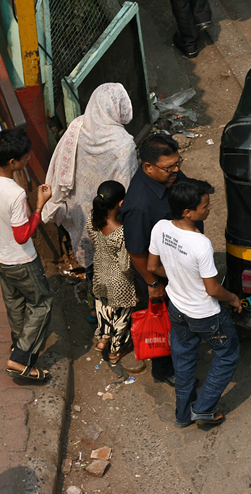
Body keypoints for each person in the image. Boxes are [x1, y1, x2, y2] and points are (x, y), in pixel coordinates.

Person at [147, 179, 241, 427]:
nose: (209, 209)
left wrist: (179, 277)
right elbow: (212, 289)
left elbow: (152, 266)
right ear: (188, 212)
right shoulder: (200, 244)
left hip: (177, 308)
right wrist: (232, 298)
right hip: (205, 314)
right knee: (227, 355)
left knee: (184, 359)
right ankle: (203, 409)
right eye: (205, 206)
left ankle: (182, 415)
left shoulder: (160, 228)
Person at [42, 83, 137, 318]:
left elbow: (60, 165)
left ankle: (95, 307)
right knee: (116, 266)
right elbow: (128, 185)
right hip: (112, 216)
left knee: (94, 262)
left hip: (82, 210)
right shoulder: (123, 144)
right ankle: (114, 314)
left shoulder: (77, 126)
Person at [120, 132, 198, 386]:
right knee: (166, 320)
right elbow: (136, 252)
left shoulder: (170, 177)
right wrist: (153, 284)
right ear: (148, 167)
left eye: (178, 163)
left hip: (180, 264)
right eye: (169, 167)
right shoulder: (140, 205)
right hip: (158, 275)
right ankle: (165, 369)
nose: (176, 170)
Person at [0, 129, 55, 383]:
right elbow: (23, 235)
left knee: (16, 304)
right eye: (25, 157)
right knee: (42, 303)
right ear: (12, 162)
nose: (28, 159)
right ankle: (19, 360)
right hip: (21, 260)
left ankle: (18, 347)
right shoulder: (15, 193)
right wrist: (40, 205)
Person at [86, 180, 138, 366]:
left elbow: (93, 240)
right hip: (120, 280)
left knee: (103, 306)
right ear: (121, 203)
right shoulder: (121, 233)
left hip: (100, 271)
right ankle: (117, 349)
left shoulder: (93, 218)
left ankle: (103, 338)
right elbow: (125, 265)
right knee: (121, 315)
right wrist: (134, 280)